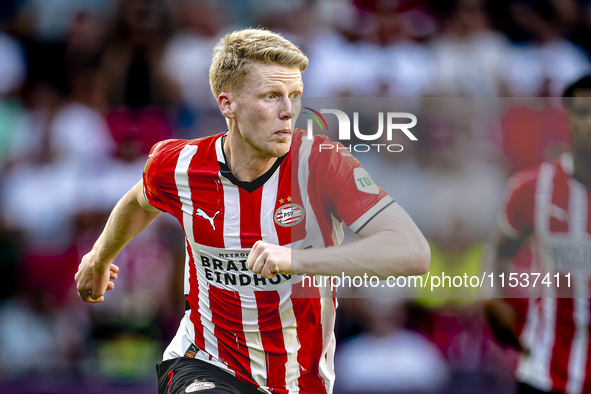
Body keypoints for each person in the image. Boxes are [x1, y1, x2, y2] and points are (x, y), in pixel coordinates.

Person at [75, 28, 430, 394]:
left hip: (299, 381)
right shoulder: (178, 164)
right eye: (271, 96)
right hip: (203, 360)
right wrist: (99, 259)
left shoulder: (323, 165)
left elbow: (412, 252)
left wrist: (296, 259)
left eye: (294, 96)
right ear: (227, 104)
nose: (288, 111)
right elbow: (139, 201)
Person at [484, 74, 591, 394]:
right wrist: (493, 297)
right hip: (545, 372)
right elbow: (500, 250)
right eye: (583, 113)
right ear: (568, 117)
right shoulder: (532, 187)